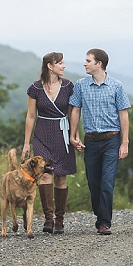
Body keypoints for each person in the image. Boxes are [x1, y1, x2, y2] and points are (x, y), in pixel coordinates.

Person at [68, 48, 130, 235]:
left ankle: (104, 222)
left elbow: (123, 114)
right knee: (93, 182)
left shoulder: (116, 86)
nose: (85, 63)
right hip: (91, 141)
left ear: (99, 64)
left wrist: (124, 142)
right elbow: (75, 110)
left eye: (88, 60)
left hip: (112, 139)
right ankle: (100, 212)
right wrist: (74, 135)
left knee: (107, 182)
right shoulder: (80, 85)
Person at [22, 52, 77, 234]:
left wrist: (75, 136)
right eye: (60, 63)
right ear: (50, 66)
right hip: (42, 133)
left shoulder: (69, 86)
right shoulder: (35, 88)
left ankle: (60, 220)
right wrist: (27, 143)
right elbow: (31, 116)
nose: (63, 66)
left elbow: (72, 114)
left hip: (62, 133)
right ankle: (48, 219)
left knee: (61, 176)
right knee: (45, 175)